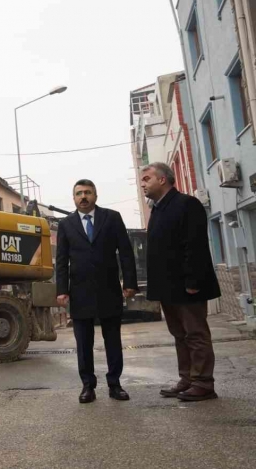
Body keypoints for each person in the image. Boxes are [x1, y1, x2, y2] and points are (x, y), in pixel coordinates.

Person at [141, 163, 220, 402]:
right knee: (179, 334)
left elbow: (194, 245)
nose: (143, 183)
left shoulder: (187, 204)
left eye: (147, 178)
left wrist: (193, 280)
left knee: (195, 333)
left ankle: (203, 383)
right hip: (168, 288)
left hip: (188, 285)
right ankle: (187, 379)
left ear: (163, 179)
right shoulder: (157, 209)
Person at [56, 179, 138, 404]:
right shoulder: (66, 225)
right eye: (79, 193)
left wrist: (129, 282)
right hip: (80, 292)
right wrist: (61, 290)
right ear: (73, 198)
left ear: (95, 195)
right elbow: (61, 260)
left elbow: (125, 252)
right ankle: (87, 386)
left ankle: (115, 384)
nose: (83, 197)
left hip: (109, 289)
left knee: (112, 339)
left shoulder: (112, 218)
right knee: (83, 343)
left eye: (88, 193)